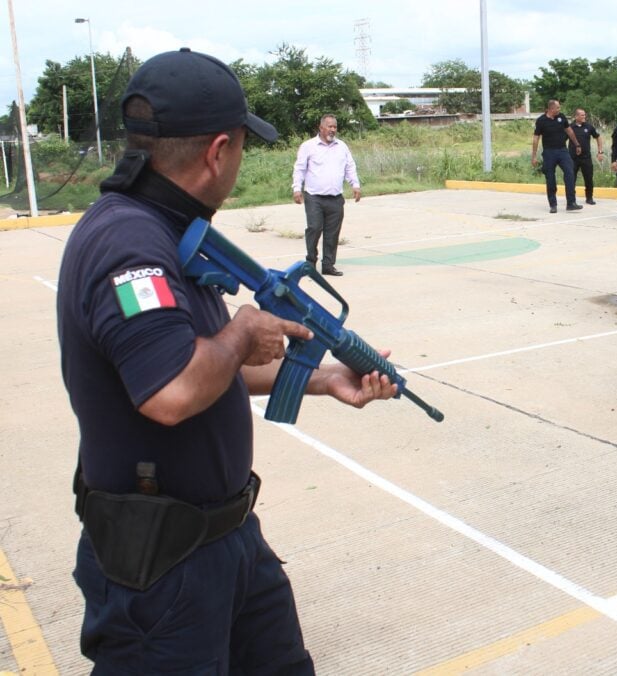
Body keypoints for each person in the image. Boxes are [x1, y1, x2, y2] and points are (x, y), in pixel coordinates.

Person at [56, 49, 397, 672]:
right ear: (218, 151)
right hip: (159, 564)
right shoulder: (130, 245)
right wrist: (242, 332)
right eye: (241, 146)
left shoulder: (171, 228)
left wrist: (320, 378)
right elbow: (173, 391)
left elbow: (205, 363)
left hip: (226, 536)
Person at [292, 114, 361, 276]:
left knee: (332, 233)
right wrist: (297, 188)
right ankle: (310, 262)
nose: (332, 130)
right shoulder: (308, 146)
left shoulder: (342, 146)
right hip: (314, 197)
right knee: (314, 228)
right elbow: (300, 168)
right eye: (329, 126)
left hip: (336, 198)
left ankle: (328, 265)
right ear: (321, 127)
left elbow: (350, 167)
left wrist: (355, 185)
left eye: (335, 127)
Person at [531, 99, 584, 213]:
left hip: (562, 151)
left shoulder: (561, 117)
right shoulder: (541, 120)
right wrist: (534, 156)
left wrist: (577, 144)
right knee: (550, 178)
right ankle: (553, 204)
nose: (559, 110)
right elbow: (536, 139)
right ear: (551, 109)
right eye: (558, 108)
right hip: (549, 153)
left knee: (570, 173)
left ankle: (571, 203)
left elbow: (569, 131)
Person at [570, 108, 604, 205]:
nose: (584, 117)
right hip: (573, 158)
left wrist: (600, 151)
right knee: (571, 179)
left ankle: (589, 197)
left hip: (586, 158)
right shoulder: (570, 127)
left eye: (584, 115)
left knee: (588, 178)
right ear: (576, 116)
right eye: (582, 115)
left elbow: (598, 137)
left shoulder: (589, 127)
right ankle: (572, 199)